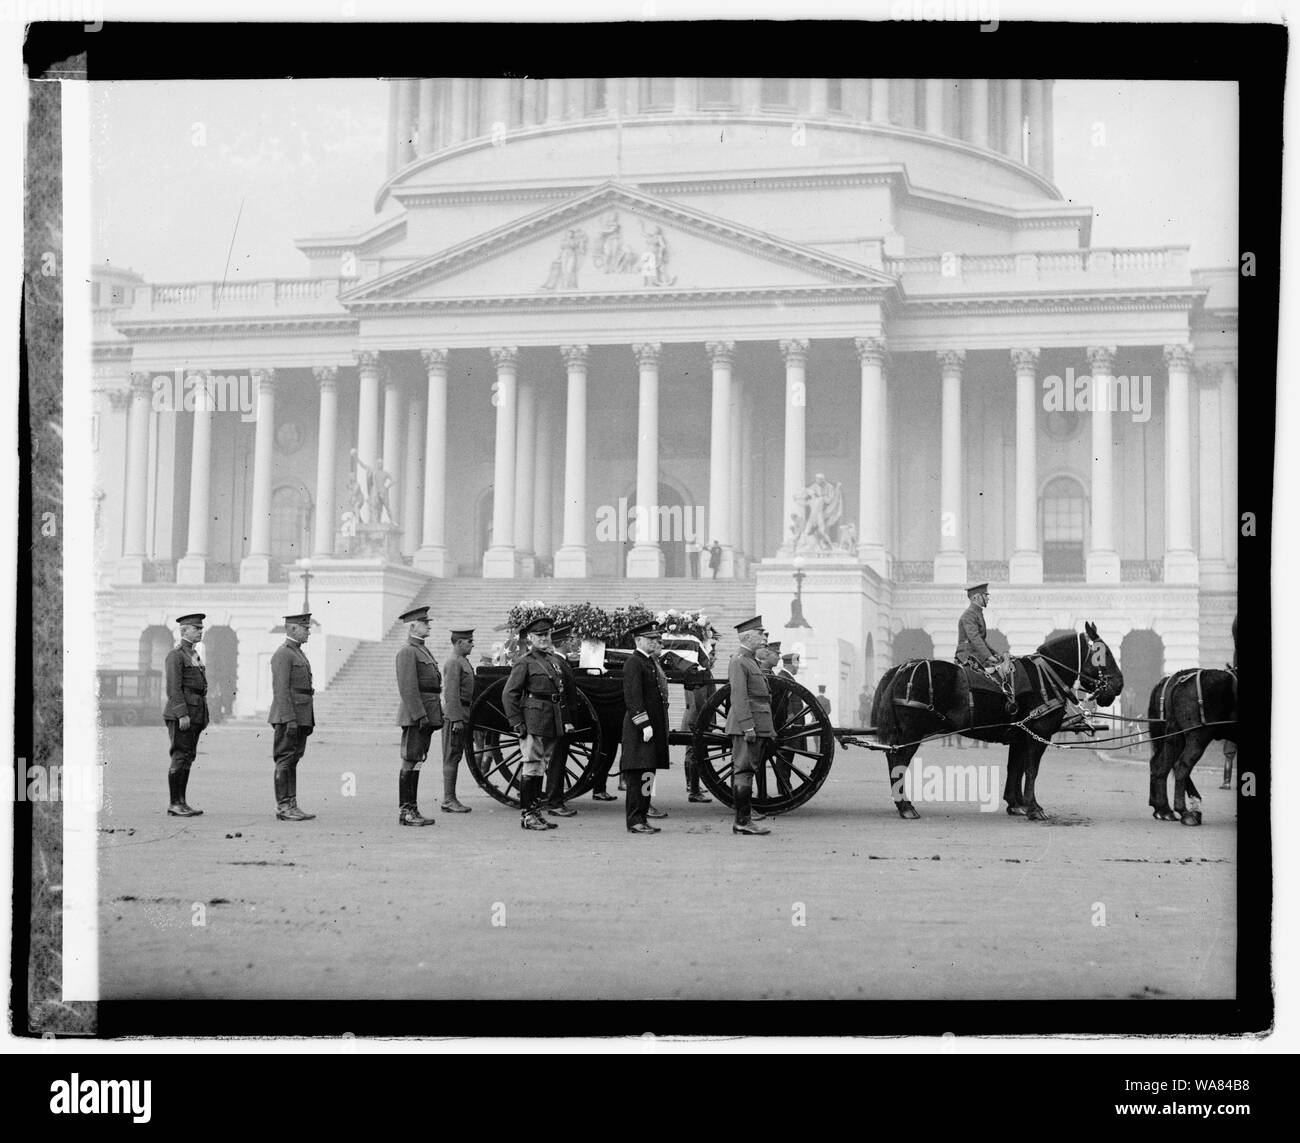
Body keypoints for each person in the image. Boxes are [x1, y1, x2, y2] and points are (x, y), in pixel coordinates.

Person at [502, 615, 579, 830]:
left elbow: (561, 694)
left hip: (551, 719)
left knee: (541, 765)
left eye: (546, 634)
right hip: (533, 720)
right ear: (530, 639)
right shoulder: (525, 662)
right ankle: (528, 815)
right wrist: (517, 722)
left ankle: (535, 812)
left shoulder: (553, 661)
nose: (544, 638)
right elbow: (509, 694)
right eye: (539, 635)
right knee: (532, 766)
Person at [620, 621, 671, 834]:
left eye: (655, 638)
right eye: (650, 639)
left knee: (648, 774)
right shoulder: (634, 662)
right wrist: (644, 724)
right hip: (639, 728)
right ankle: (634, 820)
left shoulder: (649, 662)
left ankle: (643, 816)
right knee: (636, 776)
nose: (654, 642)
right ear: (638, 640)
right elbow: (633, 697)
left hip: (651, 729)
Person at [725, 616, 774, 835]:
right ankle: (742, 822)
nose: (764, 638)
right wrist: (748, 727)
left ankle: (743, 820)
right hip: (748, 726)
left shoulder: (749, 660)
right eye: (760, 634)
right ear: (747, 636)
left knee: (747, 771)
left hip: (757, 723)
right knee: (743, 771)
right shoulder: (739, 661)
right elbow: (739, 697)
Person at [394, 606, 443, 827]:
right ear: (413, 626)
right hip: (417, 716)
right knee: (411, 760)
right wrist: (420, 715)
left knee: (417, 762)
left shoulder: (422, 650)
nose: (429, 626)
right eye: (425, 623)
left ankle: (411, 809)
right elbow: (408, 688)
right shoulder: (408, 651)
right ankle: (406, 811)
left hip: (426, 714)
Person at [269, 613, 317, 821]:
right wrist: (289, 719)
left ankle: (292, 804)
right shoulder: (283, 654)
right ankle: (284, 807)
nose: (308, 632)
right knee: (285, 760)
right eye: (305, 628)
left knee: (292, 760)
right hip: (289, 716)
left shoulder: (297, 653)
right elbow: (280, 690)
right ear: (293, 629)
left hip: (301, 714)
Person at [162, 612, 209, 816]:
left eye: (201, 628)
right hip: (183, 713)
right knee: (180, 756)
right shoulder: (176, 655)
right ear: (184, 630)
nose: (200, 631)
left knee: (188, 757)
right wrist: (182, 714)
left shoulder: (192, 654)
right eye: (196, 628)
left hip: (195, 711)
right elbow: (173, 688)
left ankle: (182, 802)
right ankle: (175, 803)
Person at [440, 627, 476, 813]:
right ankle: (448, 799)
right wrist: (456, 719)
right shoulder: (454, 662)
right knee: (451, 756)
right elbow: (451, 693)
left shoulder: (462, 661)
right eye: (469, 641)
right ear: (459, 642)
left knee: (456, 755)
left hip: (463, 712)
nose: (472, 644)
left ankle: (451, 798)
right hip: (456, 715)